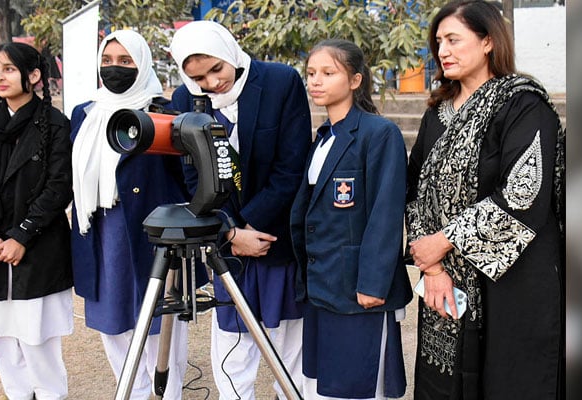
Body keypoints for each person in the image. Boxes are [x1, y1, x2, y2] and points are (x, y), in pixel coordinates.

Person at [405, 1, 565, 399]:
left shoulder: (524, 105)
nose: (443, 51)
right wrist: (435, 266)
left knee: (509, 381)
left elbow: (523, 194)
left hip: (514, 286)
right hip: (446, 286)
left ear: (489, 41)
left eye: (454, 40)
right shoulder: (437, 114)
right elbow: (416, 191)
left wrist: (442, 241)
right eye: (439, 41)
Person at [169, 20, 312, 399]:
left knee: (290, 346)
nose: (212, 83)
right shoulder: (184, 102)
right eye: (198, 77)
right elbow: (191, 177)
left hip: (275, 238)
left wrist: (250, 227)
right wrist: (230, 234)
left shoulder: (281, 82)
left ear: (229, 51)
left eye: (216, 68)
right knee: (233, 346)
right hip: (229, 247)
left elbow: (291, 166)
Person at [69, 30, 190, 399]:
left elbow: (184, 180)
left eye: (125, 61)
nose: (114, 68)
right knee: (113, 323)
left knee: (160, 323)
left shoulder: (164, 113)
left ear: (143, 64)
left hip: (152, 236)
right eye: (107, 61)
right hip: (100, 231)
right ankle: (132, 392)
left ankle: (170, 393)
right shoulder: (84, 113)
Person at [289, 39, 413, 400]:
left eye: (328, 73)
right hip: (322, 283)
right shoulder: (323, 137)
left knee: (359, 387)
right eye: (311, 73)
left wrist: (373, 283)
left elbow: (385, 213)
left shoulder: (378, 133)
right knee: (325, 385)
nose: (316, 81)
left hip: (359, 287)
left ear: (356, 80)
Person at [0, 42, 74, 400]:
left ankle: (52, 395)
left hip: (38, 247)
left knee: (38, 337)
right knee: (2, 338)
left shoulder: (55, 124)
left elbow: (58, 187)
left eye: (8, 69)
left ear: (34, 76)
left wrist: (22, 235)